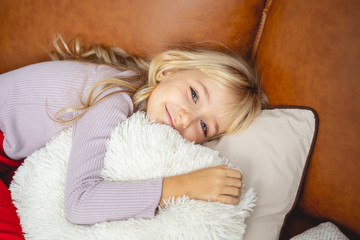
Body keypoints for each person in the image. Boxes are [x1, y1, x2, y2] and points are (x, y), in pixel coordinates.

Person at [0, 37, 268, 225]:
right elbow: (79, 203)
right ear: (167, 71)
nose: (187, 118)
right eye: (195, 95)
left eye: (205, 126)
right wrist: (184, 186)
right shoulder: (115, 97)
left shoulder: (138, 118)